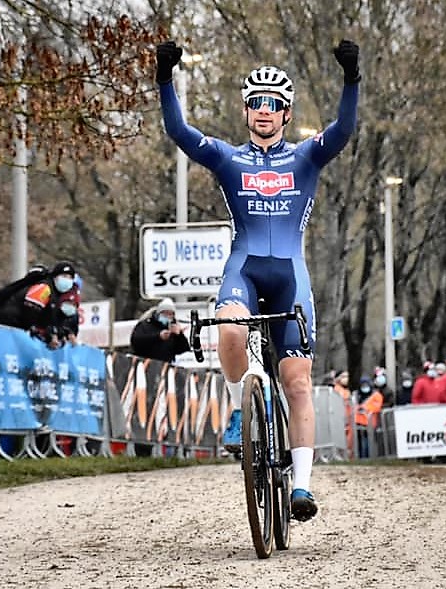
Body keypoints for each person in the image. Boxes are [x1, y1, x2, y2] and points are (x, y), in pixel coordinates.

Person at [156, 37, 360, 522]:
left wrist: (352, 79)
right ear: (246, 112)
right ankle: (240, 408)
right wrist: (164, 78)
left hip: (290, 274)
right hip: (244, 268)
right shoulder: (228, 158)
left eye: (273, 104)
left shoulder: (306, 157)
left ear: (286, 114)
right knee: (228, 328)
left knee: (297, 381)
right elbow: (180, 131)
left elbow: (344, 129)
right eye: (255, 103)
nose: (264, 111)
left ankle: (303, 487)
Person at [0, 261, 79, 350]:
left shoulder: (56, 295)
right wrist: (41, 332)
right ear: (55, 277)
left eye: (70, 278)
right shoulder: (44, 288)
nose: (67, 280)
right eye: (64, 276)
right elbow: (29, 312)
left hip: (18, 331)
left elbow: (49, 320)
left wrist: (57, 334)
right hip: (9, 327)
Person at [129, 297, 191, 364]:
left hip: (165, 366)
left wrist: (179, 335)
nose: (168, 317)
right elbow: (136, 341)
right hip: (145, 363)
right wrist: (158, 337)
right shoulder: (145, 325)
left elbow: (183, 349)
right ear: (158, 314)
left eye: (170, 314)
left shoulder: (172, 329)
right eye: (165, 313)